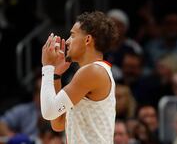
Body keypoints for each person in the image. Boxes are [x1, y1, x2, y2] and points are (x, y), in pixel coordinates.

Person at [40, 11, 119, 143]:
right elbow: (57, 123)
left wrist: (47, 67)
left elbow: (48, 112)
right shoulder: (92, 72)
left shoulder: (92, 71)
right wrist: (55, 75)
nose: (68, 41)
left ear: (87, 40)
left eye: (72, 35)